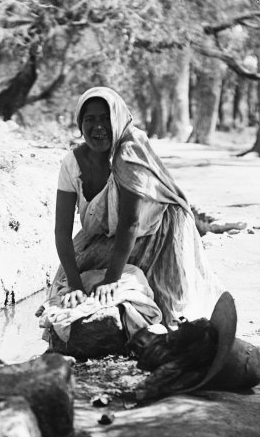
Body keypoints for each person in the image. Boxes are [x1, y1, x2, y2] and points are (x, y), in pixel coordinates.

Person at [47, 86, 223, 338]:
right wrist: (75, 285)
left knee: (167, 314)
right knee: (67, 288)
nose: (98, 127)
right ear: (80, 124)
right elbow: (62, 231)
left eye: (105, 118)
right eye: (90, 120)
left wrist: (111, 280)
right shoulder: (72, 163)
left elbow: (130, 224)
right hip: (107, 231)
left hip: (155, 229)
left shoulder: (129, 151)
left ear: (118, 119)